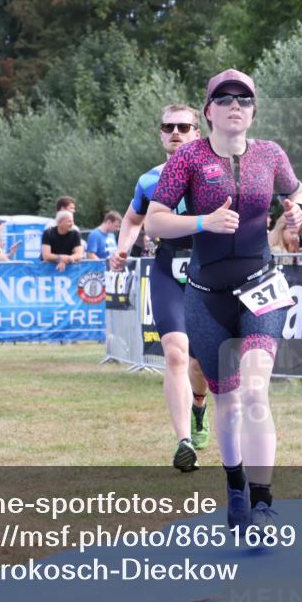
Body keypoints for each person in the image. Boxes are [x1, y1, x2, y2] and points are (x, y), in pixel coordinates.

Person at [145, 68, 302, 531]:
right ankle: (234, 485)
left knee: (256, 391)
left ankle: (263, 501)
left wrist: (297, 211)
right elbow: (155, 224)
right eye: (225, 97)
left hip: (261, 286)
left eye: (244, 99)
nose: (235, 104)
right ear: (209, 111)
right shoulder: (189, 159)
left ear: (253, 110)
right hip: (206, 295)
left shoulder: (270, 154)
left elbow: (295, 192)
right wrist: (203, 223)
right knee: (229, 401)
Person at [108, 103, 211, 472]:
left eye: (184, 126)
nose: (176, 133)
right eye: (168, 127)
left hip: (209, 268)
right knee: (175, 354)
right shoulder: (149, 179)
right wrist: (123, 247)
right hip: (167, 266)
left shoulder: (214, 175)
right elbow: (132, 218)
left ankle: (200, 406)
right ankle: (184, 442)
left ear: (197, 131)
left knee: (201, 362)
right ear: (160, 134)